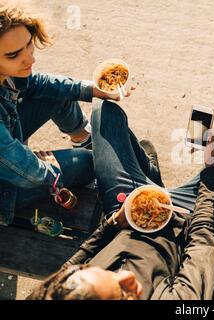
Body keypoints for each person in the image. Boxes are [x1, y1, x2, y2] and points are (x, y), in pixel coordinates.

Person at [27, 100, 214, 300]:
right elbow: (202, 241)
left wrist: (112, 223)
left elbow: (71, 267)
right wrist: (213, 171)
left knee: (105, 112)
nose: (128, 275)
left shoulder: (61, 291)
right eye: (123, 293)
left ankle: (151, 173)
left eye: (109, 272)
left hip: (126, 214)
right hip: (185, 222)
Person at [0, 3, 125, 225]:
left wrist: (91, 89)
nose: (30, 59)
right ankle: (89, 163)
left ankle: (84, 140)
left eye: (29, 44)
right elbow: (25, 171)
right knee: (88, 163)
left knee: (61, 93)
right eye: (13, 55)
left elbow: (39, 84)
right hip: (6, 190)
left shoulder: (8, 75)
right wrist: (52, 170)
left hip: (10, 150)